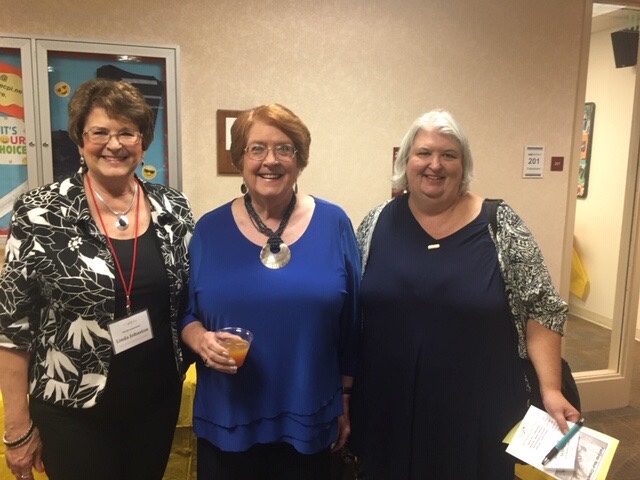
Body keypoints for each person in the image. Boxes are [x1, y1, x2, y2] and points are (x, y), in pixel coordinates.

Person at [350, 109, 580, 479]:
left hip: (479, 413)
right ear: (405, 161)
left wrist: (551, 389)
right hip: (388, 407)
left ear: (463, 165)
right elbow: (352, 309)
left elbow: (543, 309)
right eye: (424, 153)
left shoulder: (499, 223)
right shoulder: (374, 224)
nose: (435, 165)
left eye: (449, 155)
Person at [0, 78, 194, 480]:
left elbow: (191, 297)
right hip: (71, 409)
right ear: (80, 140)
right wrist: (17, 428)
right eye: (100, 132)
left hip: (155, 404)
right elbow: (12, 327)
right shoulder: (40, 212)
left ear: (143, 142)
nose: (114, 144)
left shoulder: (173, 207)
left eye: (127, 132)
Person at [180, 103, 360, 480]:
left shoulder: (334, 224)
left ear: (300, 158)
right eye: (257, 148)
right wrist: (199, 340)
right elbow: (187, 313)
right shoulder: (209, 229)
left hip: (310, 414)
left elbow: (353, 321)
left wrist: (346, 396)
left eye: (284, 148)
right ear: (239, 158)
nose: (271, 160)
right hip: (229, 416)